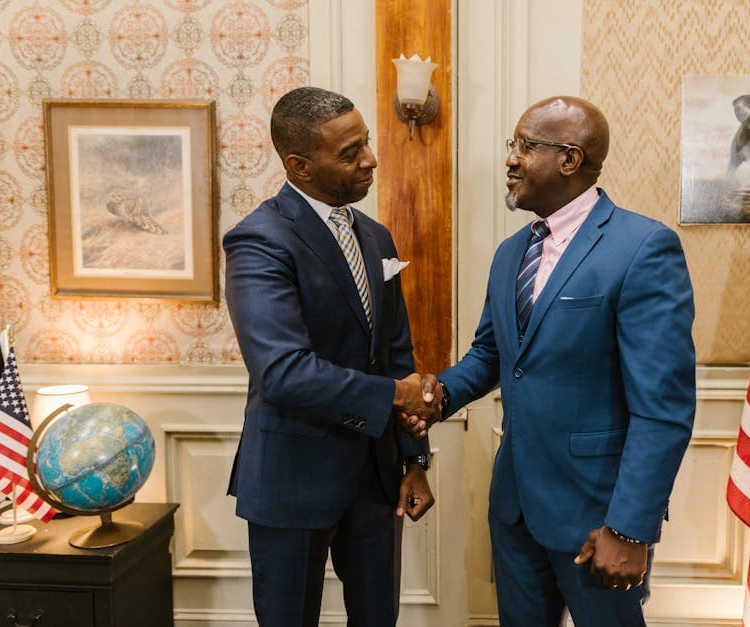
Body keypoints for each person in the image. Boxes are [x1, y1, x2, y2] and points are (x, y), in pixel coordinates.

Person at [408, 96, 696, 626]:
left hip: (598, 518)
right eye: (511, 146)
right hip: (515, 507)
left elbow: (664, 408)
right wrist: (440, 395)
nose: (510, 159)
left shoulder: (643, 248)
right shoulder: (510, 252)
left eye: (524, 146)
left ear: (569, 158)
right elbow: (494, 355)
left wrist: (630, 528)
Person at [224, 86, 440, 627]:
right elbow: (282, 372)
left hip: (377, 477)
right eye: (349, 153)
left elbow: (396, 354)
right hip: (293, 477)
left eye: (365, 142)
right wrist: (396, 395)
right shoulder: (259, 241)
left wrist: (414, 460)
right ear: (299, 166)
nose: (369, 159)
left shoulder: (376, 237)